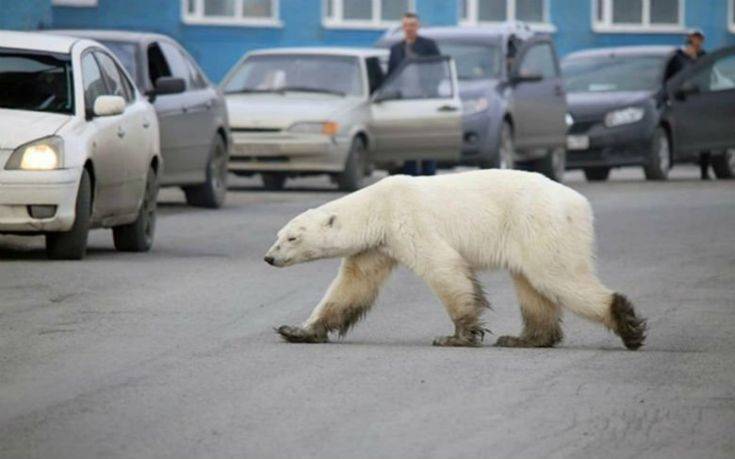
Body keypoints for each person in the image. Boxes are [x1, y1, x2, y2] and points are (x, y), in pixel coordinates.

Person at [387, 12, 441, 176]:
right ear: (403, 27)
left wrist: (429, 90)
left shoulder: (428, 46)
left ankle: (429, 175)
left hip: (426, 101)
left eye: (412, 25)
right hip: (404, 102)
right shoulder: (396, 49)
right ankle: (410, 176)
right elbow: (391, 75)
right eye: (406, 25)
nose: (409, 29)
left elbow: (438, 69)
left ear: (418, 26)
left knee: (428, 140)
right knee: (409, 141)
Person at [663, 29, 711, 179]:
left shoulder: (704, 56)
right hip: (682, 100)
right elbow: (668, 79)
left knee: (705, 135)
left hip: (701, 99)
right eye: (694, 38)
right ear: (689, 39)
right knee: (679, 133)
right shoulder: (678, 57)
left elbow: (708, 76)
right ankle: (668, 165)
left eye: (699, 38)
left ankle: (704, 170)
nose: (697, 41)